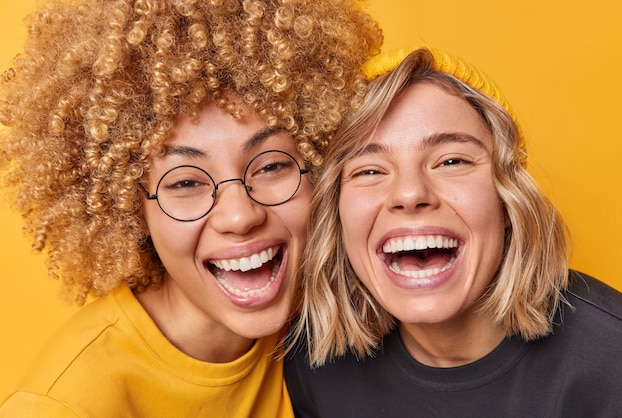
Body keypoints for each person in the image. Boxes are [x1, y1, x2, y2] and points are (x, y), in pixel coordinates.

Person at [0, 0, 382, 416]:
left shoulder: (339, 312)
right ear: (128, 208)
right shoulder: (67, 404)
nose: (240, 215)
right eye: (185, 182)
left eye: (271, 165)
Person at [284, 47, 622, 417]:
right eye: (369, 170)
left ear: (508, 198)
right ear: (336, 215)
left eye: (451, 161)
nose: (410, 193)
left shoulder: (615, 360)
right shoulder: (313, 364)